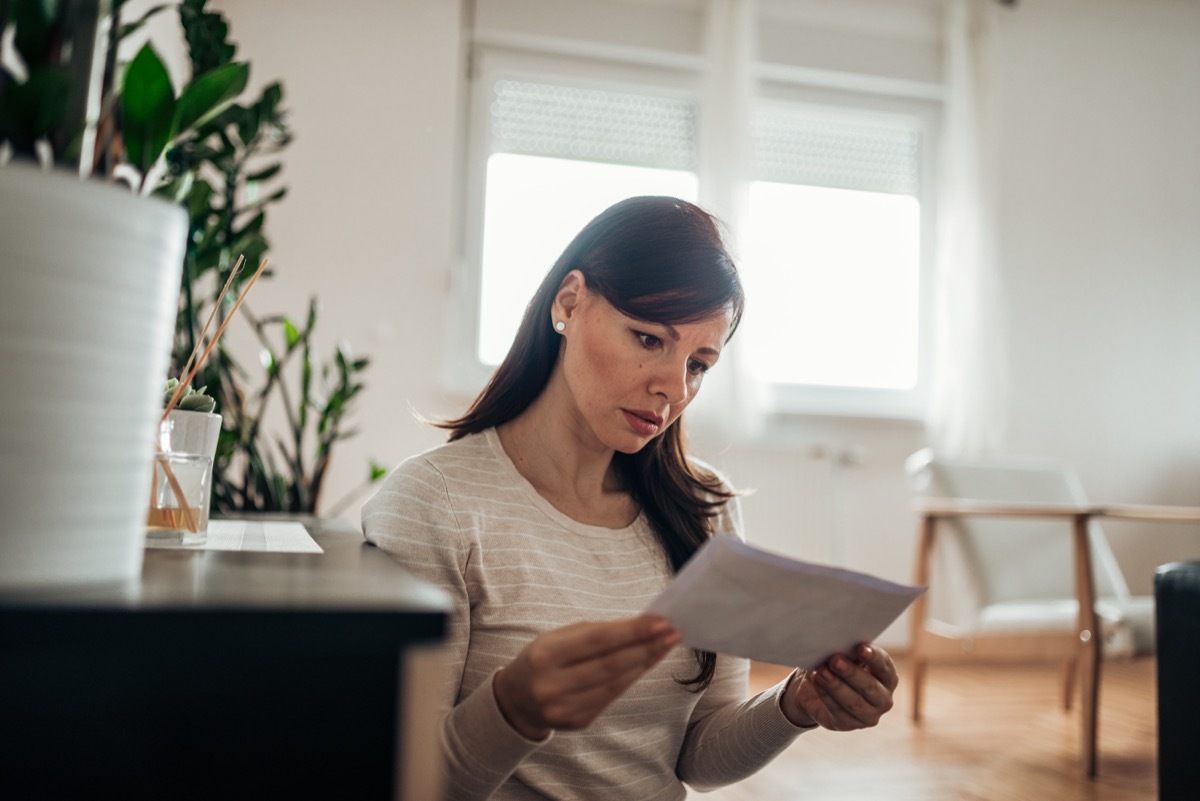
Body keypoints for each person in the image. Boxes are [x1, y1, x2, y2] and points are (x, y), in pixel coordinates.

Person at [362, 196, 898, 800]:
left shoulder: (704, 509)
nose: (672, 387)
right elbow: (411, 785)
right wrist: (513, 709)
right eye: (647, 339)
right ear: (569, 303)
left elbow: (698, 758)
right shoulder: (434, 504)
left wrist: (795, 703)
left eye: (698, 364)